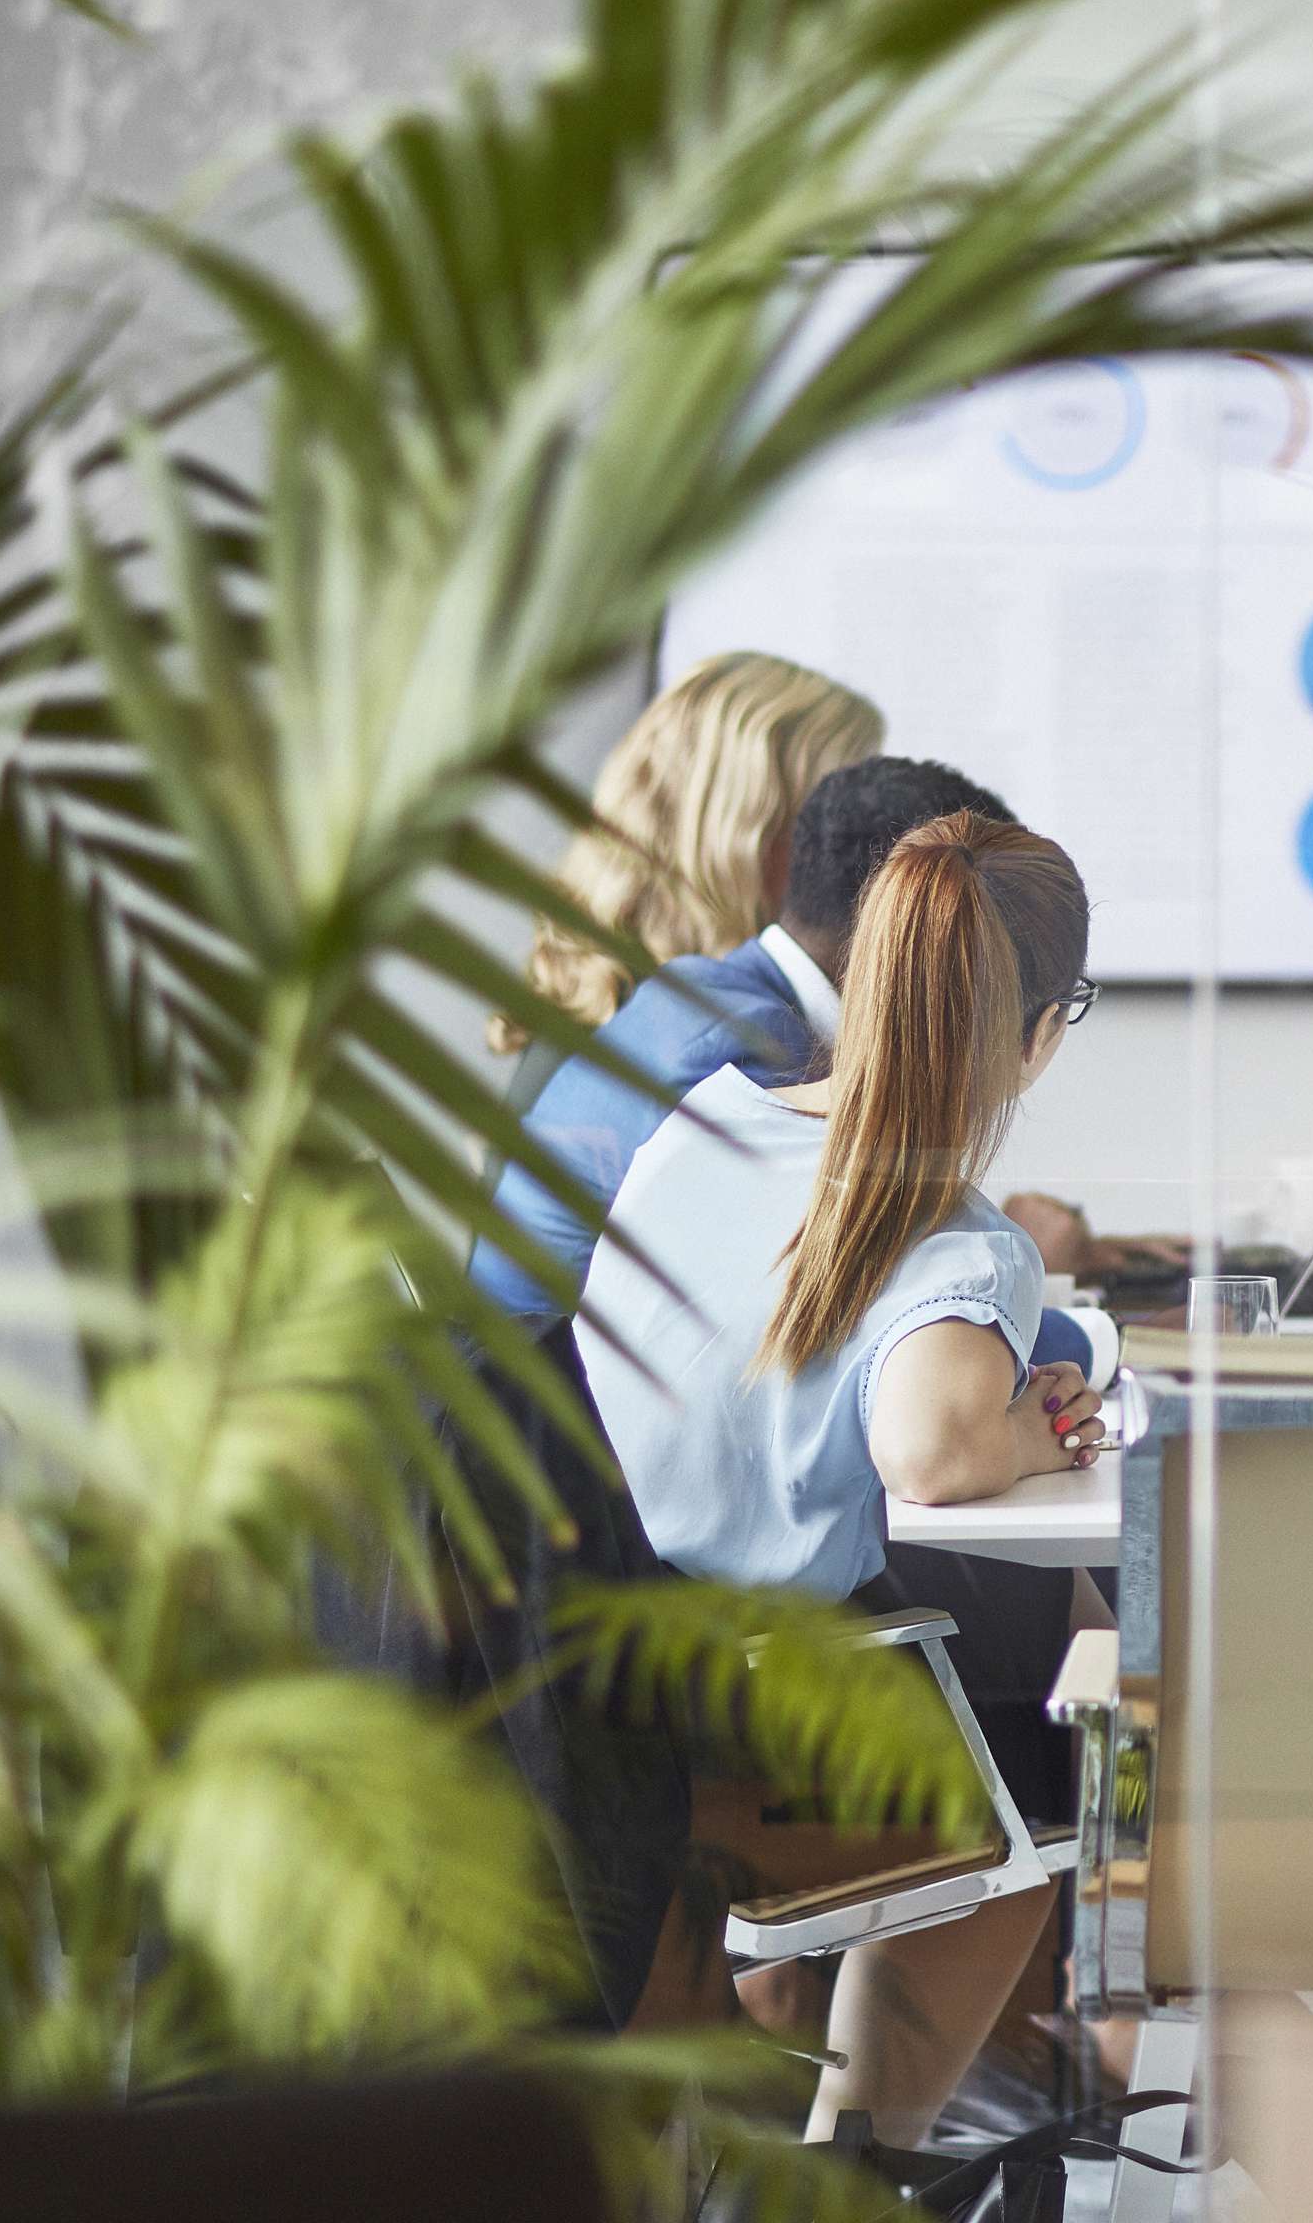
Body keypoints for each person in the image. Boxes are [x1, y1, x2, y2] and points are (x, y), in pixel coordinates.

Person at [579, 813, 1111, 2153]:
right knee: (1038, 1805)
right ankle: (855, 2173)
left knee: (1003, 1701)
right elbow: (929, 1450)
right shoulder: (955, 1239)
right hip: (740, 1701)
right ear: (1041, 1034)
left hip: (581, 1656)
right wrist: (1042, 1435)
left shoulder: (708, 1118)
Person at [470, 753, 1012, 1322]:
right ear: (910, 919)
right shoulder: (761, 1059)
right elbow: (841, 1321)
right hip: (548, 1398)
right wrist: (1081, 1335)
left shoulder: (701, 985)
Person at [488, 652, 882, 1101]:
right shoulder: (704, 1051)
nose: (865, 853)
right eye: (842, 818)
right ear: (745, 830)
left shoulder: (603, 1010)